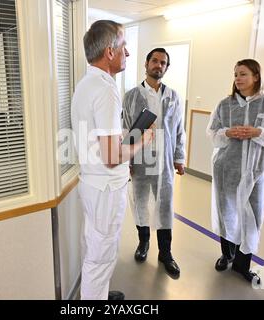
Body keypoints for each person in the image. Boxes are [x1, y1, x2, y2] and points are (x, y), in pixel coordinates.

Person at [71, 20, 154, 300]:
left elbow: (103, 143)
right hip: (105, 188)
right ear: (110, 52)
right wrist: (141, 142)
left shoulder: (86, 84)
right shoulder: (106, 89)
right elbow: (110, 156)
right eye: (124, 47)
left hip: (93, 184)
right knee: (101, 256)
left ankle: (100, 294)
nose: (128, 53)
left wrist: (124, 145)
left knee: (96, 249)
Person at [206, 59, 264, 284]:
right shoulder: (225, 104)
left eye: (243, 74)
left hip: (256, 173)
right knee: (227, 213)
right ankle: (226, 254)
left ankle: (243, 265)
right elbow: (212, 133)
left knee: (251, 219)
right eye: (235, 75)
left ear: (256, 77)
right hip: (226, 169)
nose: (238, 79)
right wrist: (227, 133)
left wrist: (258, 132)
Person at [123, 48, 185, 277]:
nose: (158, 65)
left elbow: (180, 130)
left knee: (165, 205)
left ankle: (165, 253)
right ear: (146, 64)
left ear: (166, 68)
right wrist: (127, 160)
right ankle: (143, 244)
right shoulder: (131, 96)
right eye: (155, 61)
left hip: (165, 161)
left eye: (163, 63)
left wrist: (179, 158)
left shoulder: (174, 96)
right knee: (140, 203)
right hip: (140, 160)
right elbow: (126, 130)